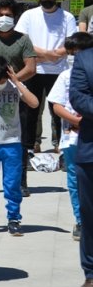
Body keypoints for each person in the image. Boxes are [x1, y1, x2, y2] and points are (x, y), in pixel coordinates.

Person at [0, 0, 38, 191]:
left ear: (15, 17)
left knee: (20, 138)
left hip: (17, 93)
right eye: (0, 15)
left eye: (8, 15)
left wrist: (11, 81)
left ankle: (20, 181)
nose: (3, 18)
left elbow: (31, 67)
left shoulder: (23, 39)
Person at [0, 56, 39, 236]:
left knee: (12, 184)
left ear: (8, 74)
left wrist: (16, 81)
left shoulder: (15, 87)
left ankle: (14, 218)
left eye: (1, 81)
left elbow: (34, 102)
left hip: (12, 143)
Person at [15, 0, 76, 157]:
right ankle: (30, 146)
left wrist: (49, 55)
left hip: (58, 73)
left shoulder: (67, 17)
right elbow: (23, 42)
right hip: (33, 70)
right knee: (31, 111)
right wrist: (49, 54)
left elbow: (70, 44)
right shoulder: (28, 15)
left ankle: (61, 147)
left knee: (60, 111)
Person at [49, 32, 93, 242]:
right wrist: (78, 122)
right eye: (70, 53)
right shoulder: (64, 76)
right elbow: (57, 106)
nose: (73, 57)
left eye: (77, 53)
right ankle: (81, 219)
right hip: (72, 138)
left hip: (88, 137)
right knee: (75, 181)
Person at [67, 42, 93, 287]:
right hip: (91, 151)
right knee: (90, 215)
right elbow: (78, 97)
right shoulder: (85, 59)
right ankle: (91, 274)